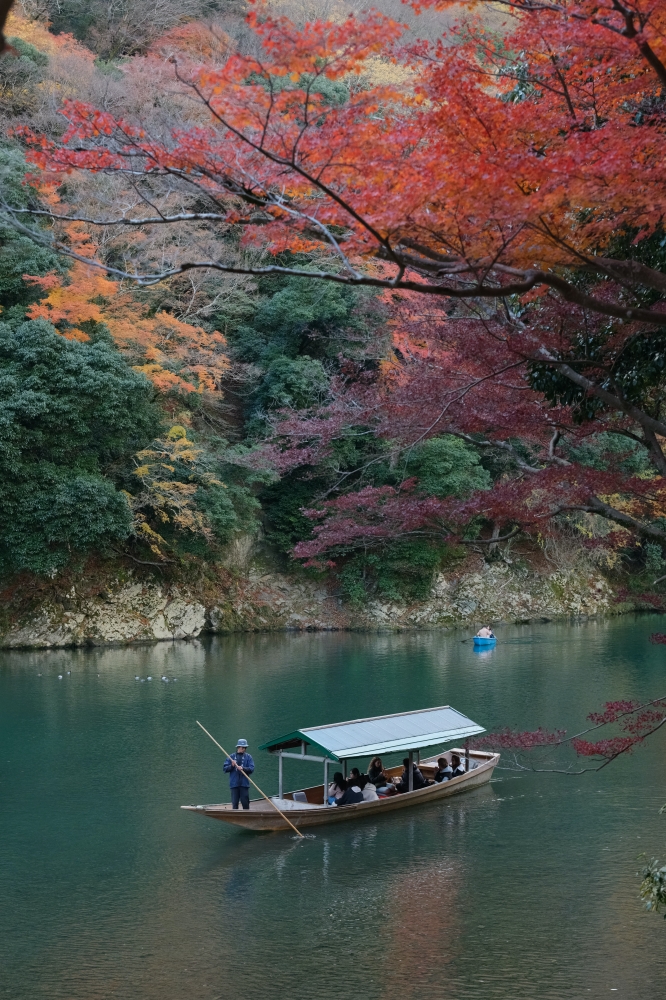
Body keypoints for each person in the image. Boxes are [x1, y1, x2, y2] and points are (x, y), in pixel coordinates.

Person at [223, 738, 255, 810]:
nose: (244, 749)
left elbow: (251, 769)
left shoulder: (249, 757)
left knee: (245, 803)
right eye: (242, 747)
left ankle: (247, 817)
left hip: (244, 784)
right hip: (234, 784)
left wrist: (243, 768)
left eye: (245, 747)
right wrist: (232, 766)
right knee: (235, 804)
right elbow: (225, 769)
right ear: (238, 747)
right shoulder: (231, 757)